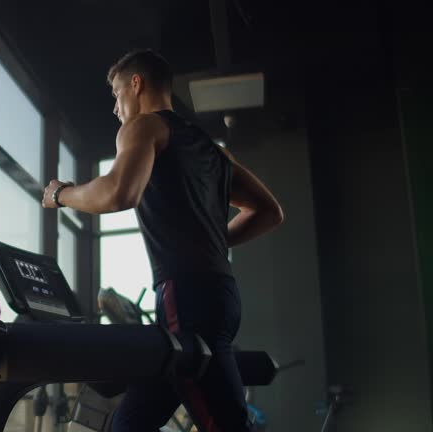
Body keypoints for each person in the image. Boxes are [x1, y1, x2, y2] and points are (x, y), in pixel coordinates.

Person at [42, 49, 284, 431]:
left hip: (186, 298)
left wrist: (62, 194)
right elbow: (270, 212)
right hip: (222, 297)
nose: (116, 109)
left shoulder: (145, 127)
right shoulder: (214, 153)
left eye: (117, 94)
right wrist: (213, 244)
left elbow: (119, 193)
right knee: (131, 422)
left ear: (136, 84)